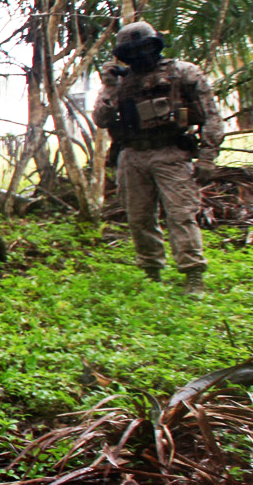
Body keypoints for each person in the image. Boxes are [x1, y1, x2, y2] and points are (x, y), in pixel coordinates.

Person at [91, 21, 223, 294]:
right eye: (132, 51)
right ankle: (151, 271)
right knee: (139, 217)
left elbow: (210, 115)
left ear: (155, 46)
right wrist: (109, 87)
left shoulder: (183, 73)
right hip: (132, 155)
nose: (140, 56)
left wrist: (208, 157)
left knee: (181, 215)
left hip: (171, 152)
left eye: (144, 48)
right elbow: (101, 120)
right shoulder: (121, 82)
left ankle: (193, 275)